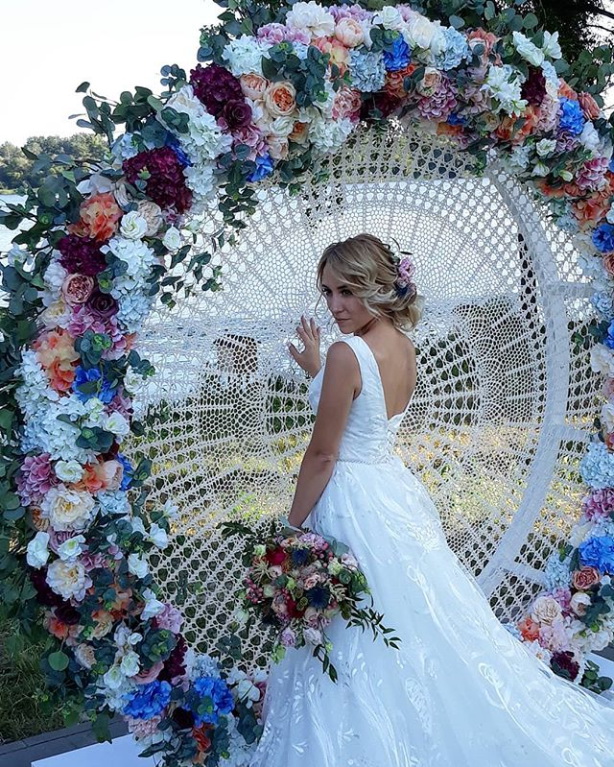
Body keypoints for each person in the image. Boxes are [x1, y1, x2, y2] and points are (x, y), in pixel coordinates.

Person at [249, 233, 614, 767]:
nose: (335, 306)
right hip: (391, 491)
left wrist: (291, 527)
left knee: (351, 622)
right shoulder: (400, 343)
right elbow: (366, 410)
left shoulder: (346, 354)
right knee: (410, 615)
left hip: (350, 499)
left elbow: (324, 454)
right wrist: (317, 370)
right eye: (327, 292)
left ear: (378, 285)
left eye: (347, 291)